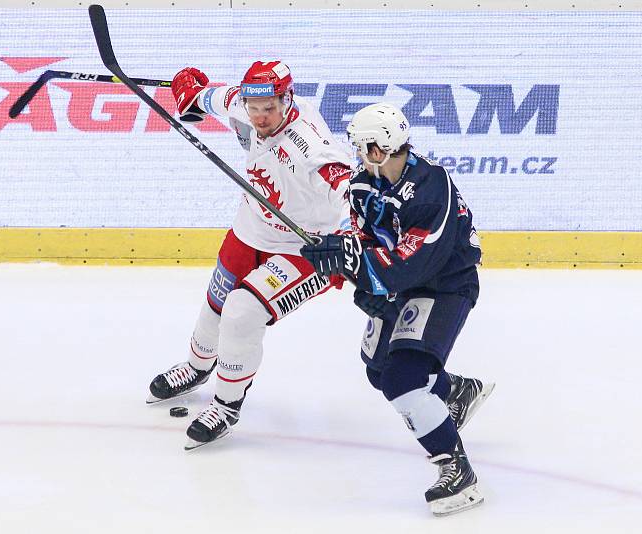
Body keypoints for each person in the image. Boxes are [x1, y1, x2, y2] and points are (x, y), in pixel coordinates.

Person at [147, 61, 355, 450]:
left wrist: (349, 233)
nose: (260, 117)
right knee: (216, 303)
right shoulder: (245, 104)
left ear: (287, 99)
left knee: (242, 313)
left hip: (306, 247)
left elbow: (348, 191)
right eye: (254, 107)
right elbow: (211, 98)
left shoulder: (310, 146)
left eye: (270, 109)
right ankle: (196, 367)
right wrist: (191, 93)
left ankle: (226, 405)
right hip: (251, 230)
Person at [300, 103, 494, 516]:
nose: (358, 155)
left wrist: (370, 278)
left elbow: (420, 256)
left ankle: (456, 469)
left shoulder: (430, 185)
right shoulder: (363, 184)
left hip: (444, 284)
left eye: (363, 148)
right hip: (403, 282)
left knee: (403, 379)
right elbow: (360, 234)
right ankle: (454, 391)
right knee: (377, 368)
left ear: (381, 147)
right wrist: (339, 253)